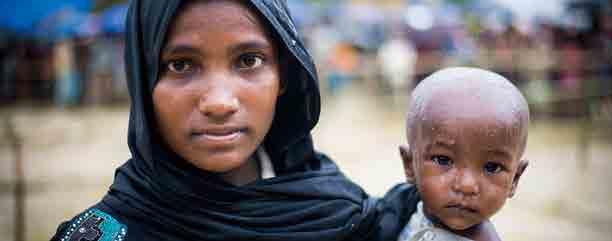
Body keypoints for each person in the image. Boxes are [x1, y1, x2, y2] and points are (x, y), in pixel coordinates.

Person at [49, 0, 420, 241]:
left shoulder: (345, 217)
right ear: (144, 82)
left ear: (284, 75)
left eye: (248, 60)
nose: (219, 102)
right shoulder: (106, 233)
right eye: (181, 65)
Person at [397, 67, 530, 241]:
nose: (467, 185)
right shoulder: (396, 210)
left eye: (492, 167)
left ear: (515, 179)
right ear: (410, 165)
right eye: (443, 160)